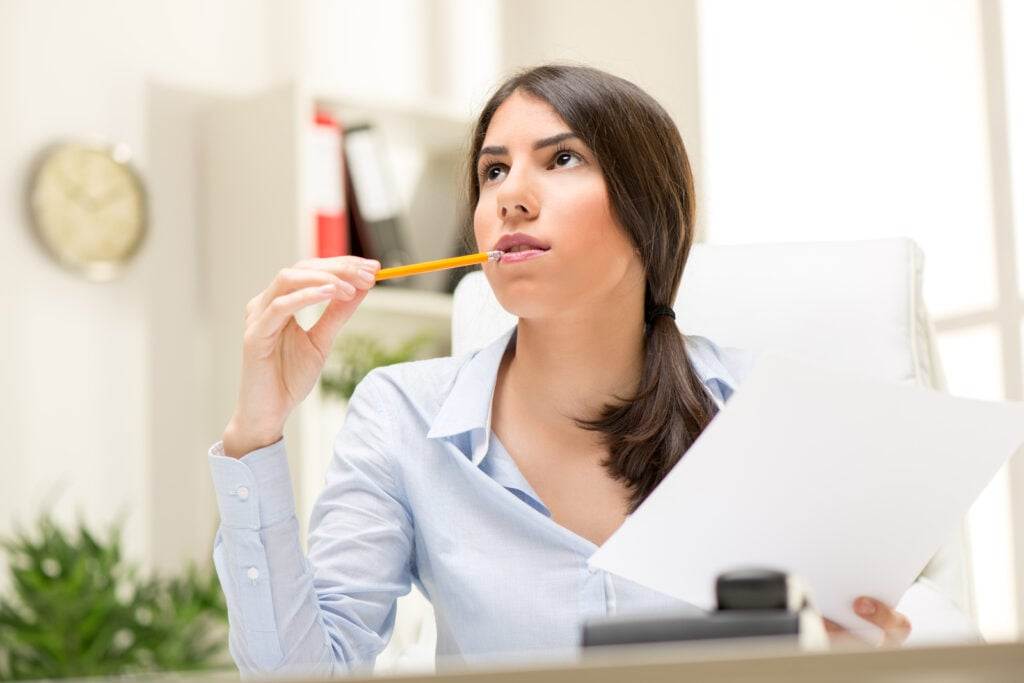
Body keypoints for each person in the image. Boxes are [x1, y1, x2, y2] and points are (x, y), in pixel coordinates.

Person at [209, 64, 953, 677]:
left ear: (646, 209)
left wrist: (853, 657)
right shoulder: (400, 411)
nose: (511, 196)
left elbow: (840, 639)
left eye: (562, 159)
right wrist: (256, 432)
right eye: (493, 171)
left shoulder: (758, 409)